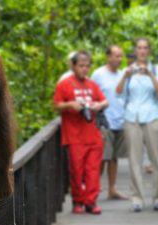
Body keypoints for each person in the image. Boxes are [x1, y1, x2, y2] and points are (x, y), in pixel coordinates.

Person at [116, 38, 158, 212]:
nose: (142, 51)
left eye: (145, 48)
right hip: (132, 117)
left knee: (157, 159)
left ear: (149, 51)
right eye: (139, 48)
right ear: (135, 50)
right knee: (134, 160)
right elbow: (118, 93)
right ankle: (137, 198)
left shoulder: (156, 69)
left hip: (153, 116)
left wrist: (150, 75)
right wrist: (125, 76)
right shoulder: (128, 71)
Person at [54, 51, 108, 215]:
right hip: (74, 136)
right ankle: (78, 200)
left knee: (93, 170)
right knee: (77, 171)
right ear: (73, 66)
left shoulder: (92, 84)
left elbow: (105, 100)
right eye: (81, 66)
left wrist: (99, 105)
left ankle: (91, 202)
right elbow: (57, 106)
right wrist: (70, 105)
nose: (84, 69)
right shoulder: (64, 84)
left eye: (87, 66)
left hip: (93, 135)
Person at [91, 45, 128, 200]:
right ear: (108, 57)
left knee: (114, 157)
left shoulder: (122, 74)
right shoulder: (98, 74)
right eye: (116, 56)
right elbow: (91, 94)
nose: (119, 59)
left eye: (121, 56)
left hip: (120, 121)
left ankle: (112, 189)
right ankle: (95, 189)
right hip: (104, 121)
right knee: (102, 157)